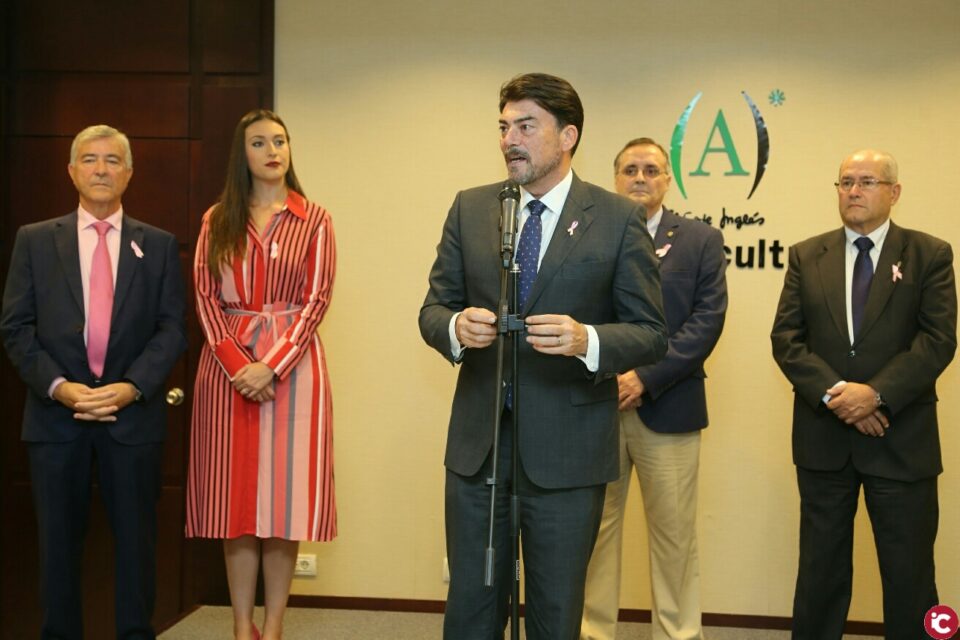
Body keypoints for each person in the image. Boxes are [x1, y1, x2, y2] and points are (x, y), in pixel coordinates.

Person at [419, 73, 667, 640]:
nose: (511, 139)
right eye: (504, 126)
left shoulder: (617, 218)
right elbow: (433, 310)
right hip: (480, 450)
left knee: (556, 617)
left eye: (526, 126)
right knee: (470, 611)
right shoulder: (471, 208)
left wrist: (588, 341)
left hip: (569, 455)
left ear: (568, 135)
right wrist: (456, 326)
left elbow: (651, 332)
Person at [1, 124, 187, 639]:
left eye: (112, 160)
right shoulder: (35, 240)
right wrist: (60, 387)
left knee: (136, 546)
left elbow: (172, 329)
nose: (101, 169)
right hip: (56, 420)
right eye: (89, 159)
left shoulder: (160, 245)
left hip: (133, 421)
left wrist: (130, 387)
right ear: (71, 171)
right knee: (57, 549)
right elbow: (15, 327)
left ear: (129, 173)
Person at [770, 149, 956, 638]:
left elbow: (937, 341)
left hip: (901, 441)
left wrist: (875, 395)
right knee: (820, 574)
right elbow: (786, 340)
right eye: (845, 182)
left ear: (893, 193)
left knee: (911, 575)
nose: (853, 190)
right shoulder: (806, 255)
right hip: (824, 443)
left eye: (867, 181)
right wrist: (840, 397)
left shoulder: (930, 254)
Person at [184, 109, 337, 640]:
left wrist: (270, 366)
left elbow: (317, 302)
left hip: (294, 372)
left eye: (280, 140)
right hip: (227, 372)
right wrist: (238, 365)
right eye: (259, 142)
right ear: (241, 154)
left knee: (285, 503)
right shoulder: (216, 219)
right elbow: (204, 298)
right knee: (237, 504)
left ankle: (272, 626)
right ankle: (240, 623)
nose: (273, 150)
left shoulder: (315, 219)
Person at [581, 138, 727, 640]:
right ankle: (593, 632)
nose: (639, 178)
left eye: (651, 170)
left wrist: (644, 376)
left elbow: (705, 323)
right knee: (594, 535)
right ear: (614, 178)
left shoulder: (701, 240)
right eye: (629, 169)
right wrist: (612, 374)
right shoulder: (589, 236)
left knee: (674, 539)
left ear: (669, 180)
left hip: (670, 407)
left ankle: (678, 634)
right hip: (596, 406)